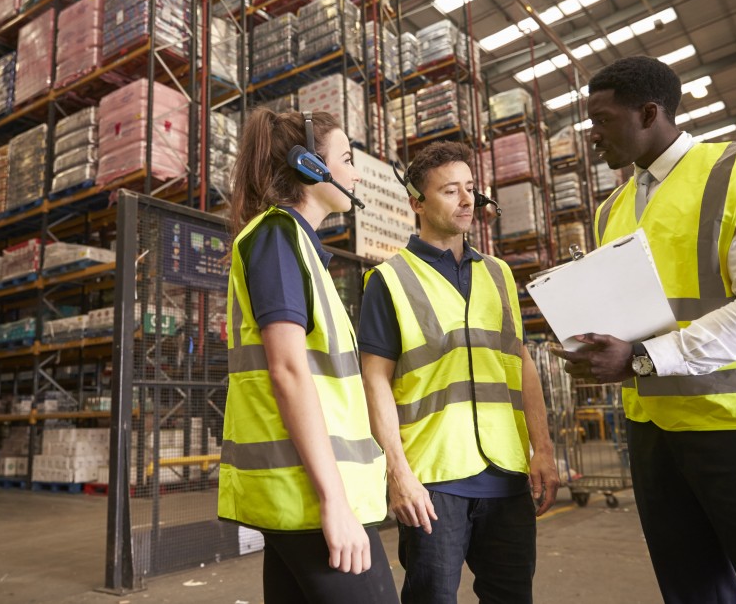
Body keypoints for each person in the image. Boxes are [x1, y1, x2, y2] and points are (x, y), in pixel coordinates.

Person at [551, 55, 736, 604]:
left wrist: (640, 357)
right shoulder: (611, 209)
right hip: (653, 429)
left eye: (602, 121)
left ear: (649, 112)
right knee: (692, 591)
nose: (593, 137)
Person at [359, 140, 560, 604]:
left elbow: (521, 365)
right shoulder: (389, 280)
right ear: (418, 202)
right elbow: (375, 382)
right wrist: (397, 473)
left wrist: (543, 449)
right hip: (434, 479)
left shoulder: (499, 274)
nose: (468, 199)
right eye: (451, 190)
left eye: (470, 188)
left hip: (507, 473)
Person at [217, 108, 398, 604]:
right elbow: (289, 371)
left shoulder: (295, 245)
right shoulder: (277, 238)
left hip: (300, 495)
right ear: (309, 167)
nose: (356, 173)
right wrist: (334, 500)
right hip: (310, 495)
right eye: (346, 158)